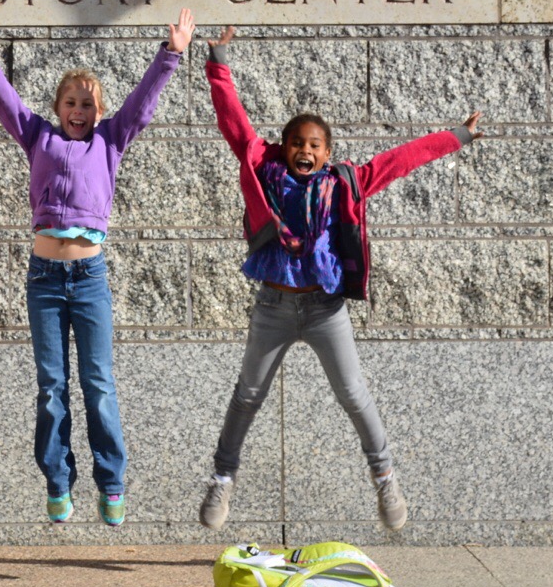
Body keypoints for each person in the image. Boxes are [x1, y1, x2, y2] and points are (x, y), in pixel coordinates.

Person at [197, 28, 482, 533]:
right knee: (247, 395)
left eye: (314, 144)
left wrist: (455, 137)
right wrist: (219, 63)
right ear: (284, 148)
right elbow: (234, 124)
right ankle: (223, 478)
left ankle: (385, 477)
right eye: (296, 143)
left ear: (327, 152)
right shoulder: (265, 170)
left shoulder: (344, 182)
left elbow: (400, 160)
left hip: (326, 308)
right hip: (274, 307)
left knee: (354, 395)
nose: (304, 150)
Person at [0, 2, 194, 526]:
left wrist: (170, 56)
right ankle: (58, 479)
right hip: (44, 280)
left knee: (98, 384)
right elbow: (4, 99)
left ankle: (110, 482)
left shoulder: (110, 141)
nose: (78, 111)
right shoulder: (37, 136)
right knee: (51, 386)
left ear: (97, 112)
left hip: (89, 279)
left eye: (87, 105)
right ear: (58, 106)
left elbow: (140, 106)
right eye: (70, 102)